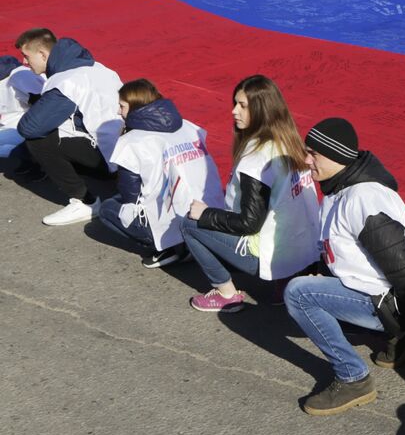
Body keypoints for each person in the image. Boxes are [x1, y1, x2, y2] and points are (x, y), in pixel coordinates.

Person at [284, 118, 405, 415]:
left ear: (335, 156)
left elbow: (404, 269)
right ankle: (403, 335)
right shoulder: (339, 187)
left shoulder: (363, 198)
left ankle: (353, 378)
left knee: (298, 294)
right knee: (311, 287)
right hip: (386, 299)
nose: (307, 160)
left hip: (396, 303)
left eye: (314, 154)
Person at [178, 75, 321, 313]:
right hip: (305, 249)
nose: (234, 111)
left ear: (262, 109)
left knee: (188, 224)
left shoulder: (256, 159)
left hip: (271, 253)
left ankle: (227, 295)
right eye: (235, 103)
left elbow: (249, 224)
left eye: (243, 106)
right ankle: (285, 281)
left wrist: (205, 214)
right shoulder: (291, 141)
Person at [100, 79, 222, 269]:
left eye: (122, 106)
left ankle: (171, 248)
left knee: (108, 209)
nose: (118, 111)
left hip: (174, 219)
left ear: (135, 107)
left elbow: (130, 195)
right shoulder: (190, 127)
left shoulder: (131, 142)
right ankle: (195, 240)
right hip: (211, 210)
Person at [12, 29, 123, 226]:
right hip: (124, 154)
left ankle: (84, 202)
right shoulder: (99, 67)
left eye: (26, 56)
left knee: (39, 140)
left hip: (108, 160)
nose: (24, 62)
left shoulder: (66, 81)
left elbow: (29, 128)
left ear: (43, 55)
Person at [0, 54, 45, 158]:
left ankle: (29, 158)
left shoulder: (20, 75)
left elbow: (46, 105)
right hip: (13, 125)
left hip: (28, 129)